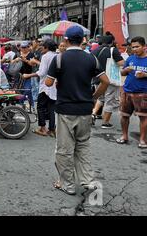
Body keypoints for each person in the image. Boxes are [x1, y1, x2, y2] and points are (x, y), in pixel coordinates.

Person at [46, 25, 109, 195]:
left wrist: (60, 79)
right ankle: (87, 180)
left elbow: (48, 83)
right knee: (83, 145)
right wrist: (94, 97)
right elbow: (105, 81)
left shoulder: (59, 59)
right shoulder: (91, 59)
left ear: (65, 40)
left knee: (64, 150)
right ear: (83, 40)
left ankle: (67, 184)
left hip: (65, 109)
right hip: (86, 109)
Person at [116, 36, 147, 149]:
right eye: (133, 47)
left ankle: (142, 140)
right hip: (127, 91)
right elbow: (123, 73)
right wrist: (126, 70)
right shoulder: (130, 59)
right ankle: (124, 136)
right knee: (124, 116)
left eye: (137, 47)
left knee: (143, 117)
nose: (134, 49)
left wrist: (144, 75)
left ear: (144, 47)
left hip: (143, 93)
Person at [23, 39, 58, 137]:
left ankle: (43, 128)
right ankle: (52, 129)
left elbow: (42, 73)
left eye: (42, 46)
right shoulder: (57, 56)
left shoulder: (46, 56)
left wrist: (28, 75)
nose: (40, 47)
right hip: (54, 86)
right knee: (51, 108)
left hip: (45, 86)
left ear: (46, 47)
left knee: (41, 107)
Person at [91, 35, 125, 129]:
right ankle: (105, 122)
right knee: (110, 100)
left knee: (100, 98)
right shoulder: (112, 50)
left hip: (97, 78)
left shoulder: (94, 51)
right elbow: (120, 63)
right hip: (109, 79)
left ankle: (93, 113)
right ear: (111, 42)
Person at [14, 41, 35, 108]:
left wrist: (25, 60)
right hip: (19, 76)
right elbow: (11, 62)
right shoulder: (17, 54)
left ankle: (30, 104)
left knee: (27, 89)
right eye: (22, 47)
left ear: (28, 47)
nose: (23, 49)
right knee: (19, 91)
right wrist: (15, 60)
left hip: (28, 75)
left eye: (25, 47)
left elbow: (33, 64)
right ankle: (22, 105)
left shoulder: (31, 55)